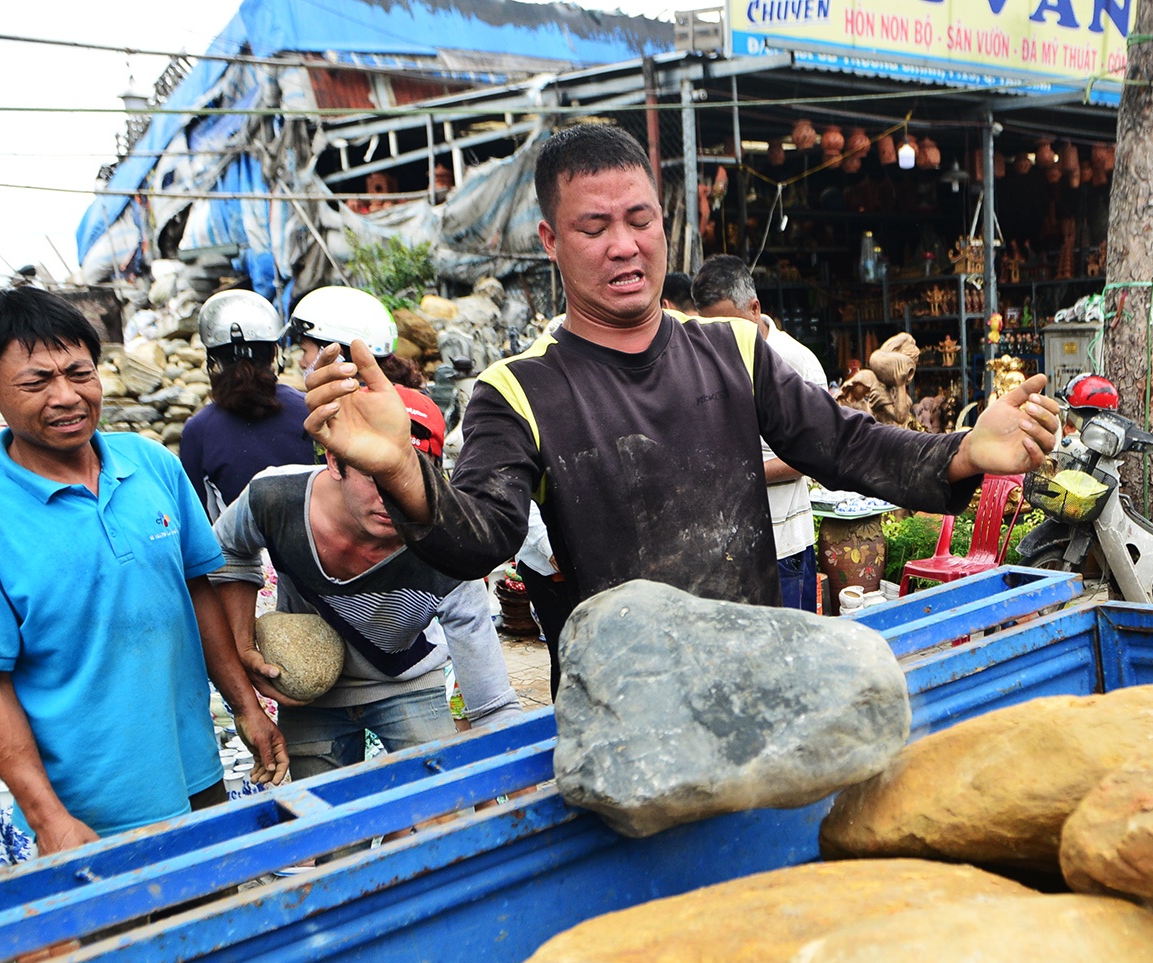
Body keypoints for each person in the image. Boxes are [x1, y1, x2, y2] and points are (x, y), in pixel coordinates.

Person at [301, 123, 1057, 634]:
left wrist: (962, 452)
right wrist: (405, 468)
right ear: (551, 241)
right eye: (595, 228)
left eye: (641, 220)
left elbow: (847, 446)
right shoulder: (518, 390)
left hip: (751, 675)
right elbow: (481, 538)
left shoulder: (733, 348)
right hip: (623, 717)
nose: (625, 246)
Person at [0, 288, 286, 854]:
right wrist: (47, 818)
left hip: (196, 776)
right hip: (89, 814)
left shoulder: (152, 465)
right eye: (37, 382)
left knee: (214, 925)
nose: (67, 397)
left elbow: (197, 593)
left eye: (80, 373)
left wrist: (246, 709)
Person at [211, 456, 527, 777]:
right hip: (311, 694)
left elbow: (493, 705)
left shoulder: (449, 544)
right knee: (324, 820)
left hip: (409, 680)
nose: (389, 497)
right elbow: (224, 550)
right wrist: (242, 644)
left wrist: (516, 779)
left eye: (405, 477)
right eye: (375, 477)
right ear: (335, 462)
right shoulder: (276, 498)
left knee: (439, 807)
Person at [693, 253, 829, 611]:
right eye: (711, 329)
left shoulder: (797, 362)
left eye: (730, 326)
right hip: (728, 547)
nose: (721, 339)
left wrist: (740, 473)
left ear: (755, 309)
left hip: (783, 545)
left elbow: (817, 454)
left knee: (788, 652)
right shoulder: (707, 362)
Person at [179, 289, 315, 519]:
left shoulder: (198, 431)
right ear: (275, 352)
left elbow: (199, 523)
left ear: (212, 360)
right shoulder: (310, 410)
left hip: (240, 553)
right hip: (315, 549)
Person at [287, 285, 398, 373]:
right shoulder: (396, 394)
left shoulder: (348, 401)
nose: (301, 363)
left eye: (304, 351)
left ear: (336, 353)